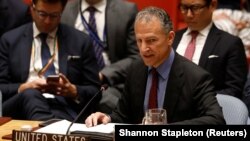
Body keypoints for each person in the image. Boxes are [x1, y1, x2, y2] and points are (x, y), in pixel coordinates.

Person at [85, 6, 225, 126]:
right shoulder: (136, 69)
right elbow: (123, 116)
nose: (144, 48)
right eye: (139, 41)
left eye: (151, 40)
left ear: (170, 38)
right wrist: (107, 119)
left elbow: (216, 120)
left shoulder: (195, 77)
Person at [0, 0, 101, 122]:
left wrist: (73, 91)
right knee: (31, 94)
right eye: (42, 14)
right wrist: (24, 87)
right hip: (19, 105)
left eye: (54, 16)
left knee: (58, 115)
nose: (47, 21)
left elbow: (96, 91)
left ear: (61, 13)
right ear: (32, 9)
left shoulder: (80, 41)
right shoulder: (10, 40)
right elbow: (2, 87)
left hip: (63, 107)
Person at [60, 0, 139, 114]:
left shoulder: (127, 11)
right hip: (75, 83)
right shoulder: (64, 9)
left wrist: (104, 75)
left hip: (110, 84)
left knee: (107, 102)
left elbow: (136, 56)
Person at [172, 0, 248, 99]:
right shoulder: (171, 39)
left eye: (195, 8)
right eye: (184, 8)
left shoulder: (230, 44)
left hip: (209, 109)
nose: (189, 15)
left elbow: (234, 90)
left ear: (212, 5)